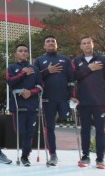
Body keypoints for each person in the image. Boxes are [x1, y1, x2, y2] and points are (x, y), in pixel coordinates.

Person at [71, 36, 105, 169]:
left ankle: (100, 159)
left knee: (100, 131)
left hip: (99, 102)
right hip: (83, 102)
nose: (86, 45)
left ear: (93, 44)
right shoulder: (76, 60)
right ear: (81, 46)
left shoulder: (103, 59)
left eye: (89, 43)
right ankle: (85, 157)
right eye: (84, 43)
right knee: (84, 130)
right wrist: (89, 68)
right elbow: (73, 77)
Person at [34, 35, 75, 166]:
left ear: (56, 45)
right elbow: (34, 78)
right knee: (49, 127)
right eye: (48, 41)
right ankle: (53, 155)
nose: (51, 43)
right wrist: (48, 71)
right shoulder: (39, 60)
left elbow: (71, 80)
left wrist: (71, 96)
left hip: (64, 98)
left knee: (67, 119)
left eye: (53, 41)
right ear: (44, 45)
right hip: (47, 99)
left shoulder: (65, 59)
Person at [6, 43, 43, 167]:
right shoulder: (11, 67)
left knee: (30, 133)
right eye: (20, 51)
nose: (23, 53)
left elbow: (40, 86)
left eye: (25, 51)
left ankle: (25, 156)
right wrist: (22, 73)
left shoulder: (35, 69)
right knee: (20, 131)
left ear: (27, 54)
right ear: (16, 54)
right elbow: (9, 82)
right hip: (18, 106)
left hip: (32, 106)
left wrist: (30, 92)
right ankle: (22, 152)